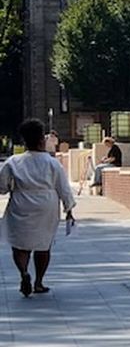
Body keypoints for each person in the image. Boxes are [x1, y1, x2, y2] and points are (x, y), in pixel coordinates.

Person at [0, 120, 76, 298]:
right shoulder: (52, 163)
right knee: (43, 245)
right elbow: (63, 187)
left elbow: (2, 187)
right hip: (46, 204)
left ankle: (24, 273)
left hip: (21, 202)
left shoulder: (14, 162)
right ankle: (39, 282)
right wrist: (69, 208)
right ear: (42, 140)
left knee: (20, 244)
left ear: (24, 141)